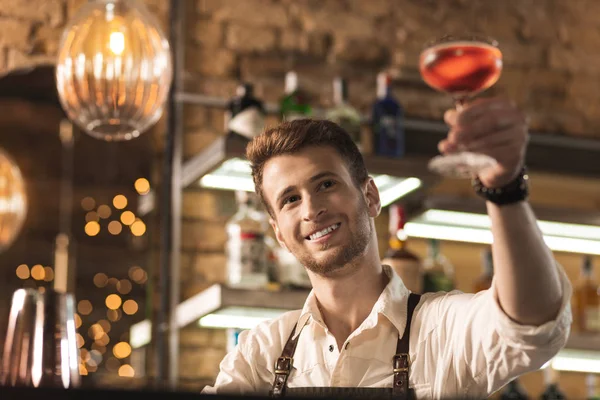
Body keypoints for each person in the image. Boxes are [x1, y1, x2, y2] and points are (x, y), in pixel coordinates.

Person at [202, 97, 572, 399]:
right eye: (290, 199)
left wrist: (504, 190)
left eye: (326, 184)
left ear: (371, 196)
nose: (312, 209)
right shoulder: (260, 353)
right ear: (279, 233)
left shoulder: (442, 330)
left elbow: (531, 326)